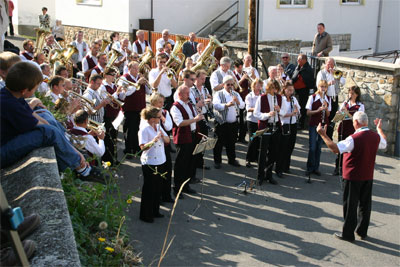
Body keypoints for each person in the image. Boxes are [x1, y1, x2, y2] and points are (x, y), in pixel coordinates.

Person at [0, 62, 98, 182]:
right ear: (25, 91)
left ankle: (69, 144)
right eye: (35, 88)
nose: (36, 91)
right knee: (49, 132)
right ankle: (82, 169)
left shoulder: (10, 94)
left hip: (7, 141)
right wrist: (74, 151)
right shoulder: (11, 105)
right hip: (3, 151)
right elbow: (44, 129)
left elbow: (36, 116)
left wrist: (69, 146)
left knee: (45, 114)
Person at [316, 111, 387, 242]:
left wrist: (323, 135)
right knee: (365, 205)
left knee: (350, 205)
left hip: (353, 176)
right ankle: (362, 231)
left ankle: (348, 234)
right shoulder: (374, 137)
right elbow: (384, 142)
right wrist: (379, 129)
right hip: (368, 175)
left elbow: (335, 148)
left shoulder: (353, 139)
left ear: (356, 122)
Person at [138, 106, 170, 223]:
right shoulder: (144, 129)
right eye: (158, 117)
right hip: (150, 162)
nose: (160, 119)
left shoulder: (158, 126)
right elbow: (142, 147)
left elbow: (168, 141)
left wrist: (163, 136)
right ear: (152, 118)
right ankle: (146, 214)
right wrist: (153, 140)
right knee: (149, 189)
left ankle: (155, 211)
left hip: (161, 160)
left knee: (158, 188)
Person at [170, 85, 202, 197]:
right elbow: (180, 123)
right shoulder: (175, 107)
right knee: (181, 164)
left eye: (189, 93)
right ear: (180, 94)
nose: (189, 96)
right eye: (186, 93)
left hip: (192, 136)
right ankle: (177, 188)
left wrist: (197, 113)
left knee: (190, 163)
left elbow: (193, 117)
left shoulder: (189, 104)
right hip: (183, 138)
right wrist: (195, 119)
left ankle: (186, 186)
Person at [254, 80, 287, 184]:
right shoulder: (262, 97)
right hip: (265, 126)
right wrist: (267, 115)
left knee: (274, 152)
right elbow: (256, 113)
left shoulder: (280, 98)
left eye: (276, 88)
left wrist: (279, 110)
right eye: (272, 88)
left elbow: (284, 112)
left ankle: (269, 175)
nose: (274, 90)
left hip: (276, 126)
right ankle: (260, 176)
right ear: (268, 88)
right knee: (263, 152)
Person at [118, 61, 152, 156]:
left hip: (141, 108)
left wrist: (146, 82)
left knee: (138, 129)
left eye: (137, 68)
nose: (137, 70)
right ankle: (128, 150)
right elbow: (126, 93)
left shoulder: (140, 77)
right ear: (129, 69)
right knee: (129, 130)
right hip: (130, 109)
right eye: (135, 68)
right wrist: (137, 83)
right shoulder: (124, 78)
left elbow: (149, 91)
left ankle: (137, 148)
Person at [212, 75, 245, 169]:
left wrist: (238, 102)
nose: (230, 86)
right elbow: (216, 105)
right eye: (228, 84)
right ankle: (217, 161)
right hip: (222, 122)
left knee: (231, 142)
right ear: (223, 85)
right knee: (219, 143)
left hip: (233, 123)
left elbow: (242, 106)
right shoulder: (218, 94)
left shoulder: (236, 94)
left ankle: (232, 159)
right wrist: (227, 105)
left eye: (232, 84)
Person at [149, 93, 174, 203]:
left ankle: (166, 195)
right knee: (157, 173)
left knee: (167, 170)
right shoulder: (149, 112)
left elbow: (169, 126)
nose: (162, 104)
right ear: (154, 102)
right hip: (154, 146)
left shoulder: (165, 112)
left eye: (163, 102)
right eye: (160, 102)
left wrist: (163, 118)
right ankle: (157, 197)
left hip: (164, 145)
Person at [334, 86, 364, 175]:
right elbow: (340, 114)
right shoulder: (345, 103)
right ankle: (337, 167)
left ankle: (346, 168)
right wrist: (339, 114)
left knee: (349, 150)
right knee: (340, 148)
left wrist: (347, 113)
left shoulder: (360, 106)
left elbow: (358, 120)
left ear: (357, 95)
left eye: (352, 93)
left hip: (352, 130)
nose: (350, 95)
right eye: (349, 93)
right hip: (343, 128)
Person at [305, 80, 331, 176]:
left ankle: (316, 167)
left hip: (323, 125)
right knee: (312, 147)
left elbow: (328, 115)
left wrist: (326, 108)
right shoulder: (312, 97)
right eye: (321, 86)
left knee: (319, 147)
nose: (323, 88)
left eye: (324, 87)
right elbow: (308, 113)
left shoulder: (328, 99)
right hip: (314, 124)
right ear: (318, 87)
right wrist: (318, 110)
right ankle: (309, 167)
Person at [316, 57, 346, 139]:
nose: (330, 66)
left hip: (334, 98)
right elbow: (318, 85)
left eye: (332, 64)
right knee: (324, 117)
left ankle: (329, 136)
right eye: (329, 64)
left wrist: (336, 75)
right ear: (325, 64)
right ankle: (322, 136)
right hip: (325, 97)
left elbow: (343, 82)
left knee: (333, 117)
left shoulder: (336, 72)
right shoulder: (321, 73)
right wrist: (328, 84)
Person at [99, 68, 123, 165]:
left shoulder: (114, 85)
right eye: (112, 75)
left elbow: (121, 98)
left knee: (114, 138)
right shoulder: (102, 87)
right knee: (108, 139)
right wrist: (116, 93)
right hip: (107, 115)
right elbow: (106, 100)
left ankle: (114, 158)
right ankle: (107, 160)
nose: (114, 77)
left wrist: (122, 92)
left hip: (115, 114)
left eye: (114, 75)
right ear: (106, 75)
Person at [190, 69, 212, 170]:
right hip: (196, 116)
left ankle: (200, 161)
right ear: (196, 78)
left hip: (204, 115)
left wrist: (209, 100)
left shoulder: (204, 89)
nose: (203, 81)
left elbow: (209, 104)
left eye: (204, 79)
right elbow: (191, 104)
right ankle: (194, 162)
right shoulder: (191, 90)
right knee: (196, 140)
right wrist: (201, 103)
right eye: (202, 79)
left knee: (204, 139)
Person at [277, 81, 300, 174]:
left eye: (292, 90)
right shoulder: (282, 99)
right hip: (285, 124)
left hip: (293, 124)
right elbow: (281, 114)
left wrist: (297, 110)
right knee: (283, 147)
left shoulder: (294, 99)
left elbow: (298, 111)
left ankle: (286, 166)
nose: (291, 92)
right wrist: (291, 114)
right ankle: (279, 168)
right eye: (289, 90)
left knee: (290, 145)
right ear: (284, 90)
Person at [291, 53, 315, 129]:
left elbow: (309, 80)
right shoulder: (297, 67)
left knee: (302, 107)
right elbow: (294, 77)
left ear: (304, 60)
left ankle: (301, 124)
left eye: (300, 59)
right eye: (298, 59)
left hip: (303, 91)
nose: (298, 60)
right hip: (296, 90)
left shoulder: (308, 69)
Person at [245, 79, 262, 168]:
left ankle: (255, 157)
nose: (259, 87)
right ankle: (248, 159)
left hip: (260, 120)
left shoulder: (262, 96)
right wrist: (257, 109)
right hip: (251, 120)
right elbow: (248, 108)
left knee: (258, 140)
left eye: (260, 85)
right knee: (252, 139)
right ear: (253, 85)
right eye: (257, 85)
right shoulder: (249, 96)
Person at [232, 59, 250, 143]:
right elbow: (234, 87)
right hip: (236, 98)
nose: (240, 69)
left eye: (241, 67)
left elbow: (249, 85)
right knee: (236, 119)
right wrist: (242, 79)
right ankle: (234, 136)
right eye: (239, 67)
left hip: (245, 98)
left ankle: (242, 137)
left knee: (244, 119)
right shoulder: (232, 74)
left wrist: (250, 79)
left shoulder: (244, 73)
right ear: (235, 67)